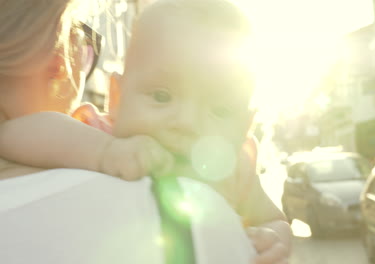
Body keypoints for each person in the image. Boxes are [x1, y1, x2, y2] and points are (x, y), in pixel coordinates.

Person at [0, 0, 291, 263]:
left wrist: (274, 237)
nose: (187, 122)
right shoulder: (100, 135)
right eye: (162, 96)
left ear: (245, 127)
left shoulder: (233, 168)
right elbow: (14, 135)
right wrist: (103, 152)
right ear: (116, 99)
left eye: (220, 110)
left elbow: (274, 218)